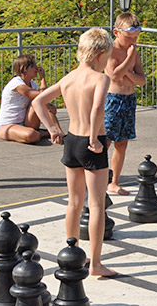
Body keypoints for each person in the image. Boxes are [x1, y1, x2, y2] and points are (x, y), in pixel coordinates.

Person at [32, 27, 117, 278]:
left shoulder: (68, 78)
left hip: (71, 141)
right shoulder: (100, 79)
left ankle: (72, 254)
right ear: (101, 56)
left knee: (74, 202)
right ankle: (96, 264)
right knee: (96, 204)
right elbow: (98, 108)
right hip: (91, 143)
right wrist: (94, 138)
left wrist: (52, 129)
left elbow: (38, 101)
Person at [103, 12, 146, 195]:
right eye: (129, 38)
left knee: (122, 143)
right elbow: (114, 75)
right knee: (105, 141)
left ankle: (114, 182)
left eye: (135, 38)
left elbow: (141, 80)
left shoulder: (134, 52)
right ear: (116, 33)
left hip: (129, 99)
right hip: (113, 99)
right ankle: (97, 178)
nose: (132, 42)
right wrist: (129, 60)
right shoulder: (110, 51)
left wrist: (127, 72)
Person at [0, 54, 56, 144]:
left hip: (26, 123)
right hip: (6, 125)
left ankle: (54, 131)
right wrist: (43, 79)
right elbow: (42, 95)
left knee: (38, 101)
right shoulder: (16, 84)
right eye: (33, 66)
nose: (37, 68)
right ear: (24, 69)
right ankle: (43, 133)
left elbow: (43, 98)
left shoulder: (33, 84)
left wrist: (49, 106)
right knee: (31, 135)